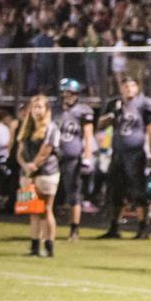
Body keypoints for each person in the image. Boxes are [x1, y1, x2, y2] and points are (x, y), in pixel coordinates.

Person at [97, 75, 151, 239]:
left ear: (137, 88)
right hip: (118, 152)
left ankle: (143, 227)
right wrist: (110, 116)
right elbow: (101, 125)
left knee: (138, 191)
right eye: (125, 85)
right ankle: (114, 227)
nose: (128, 89)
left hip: (135, 153)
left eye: (131, 85)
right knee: (116, 190)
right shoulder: (115, 103)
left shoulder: (145, 103)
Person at [16, 95, 61, 258]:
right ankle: (35, 245)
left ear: (47, 110)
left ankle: (49, 245)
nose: (37, 110)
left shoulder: (51, 127)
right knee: (33, 210)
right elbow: (19, 151)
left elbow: (46, 150)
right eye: (34, 107)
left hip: (46, 172)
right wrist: (25, 166)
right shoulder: (26, 127)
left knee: (46, 210)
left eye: (40, 107)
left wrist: (34, 165)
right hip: (28, 174)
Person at [54, 78, 95, 241]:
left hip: (73, 157)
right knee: (51, 193)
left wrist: (87, 157)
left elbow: (88, 135)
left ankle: (74, 229)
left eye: (70, 93)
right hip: (54, 157)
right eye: (64, 92)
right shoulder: (54, 109)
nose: (67, 96)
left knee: (74, 194)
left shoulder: (83, 111)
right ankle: (46, 228)